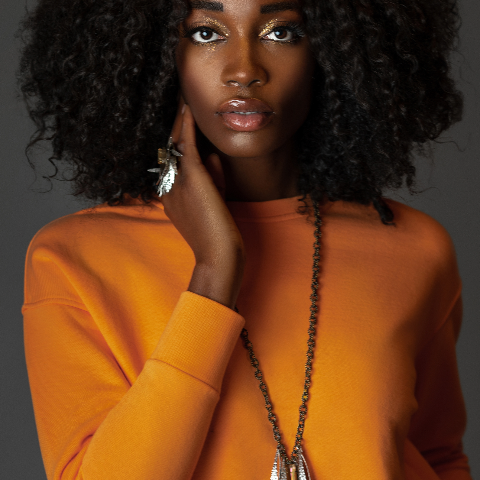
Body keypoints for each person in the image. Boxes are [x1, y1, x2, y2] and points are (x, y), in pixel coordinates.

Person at [18, 0, 472, 478]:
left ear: (332, 51)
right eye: (206, 34)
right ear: (156, 53)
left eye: (281, 33)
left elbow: (440, 458)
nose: (244, 71)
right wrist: (215, 270)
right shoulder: (75, 259)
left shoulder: (414, 249)